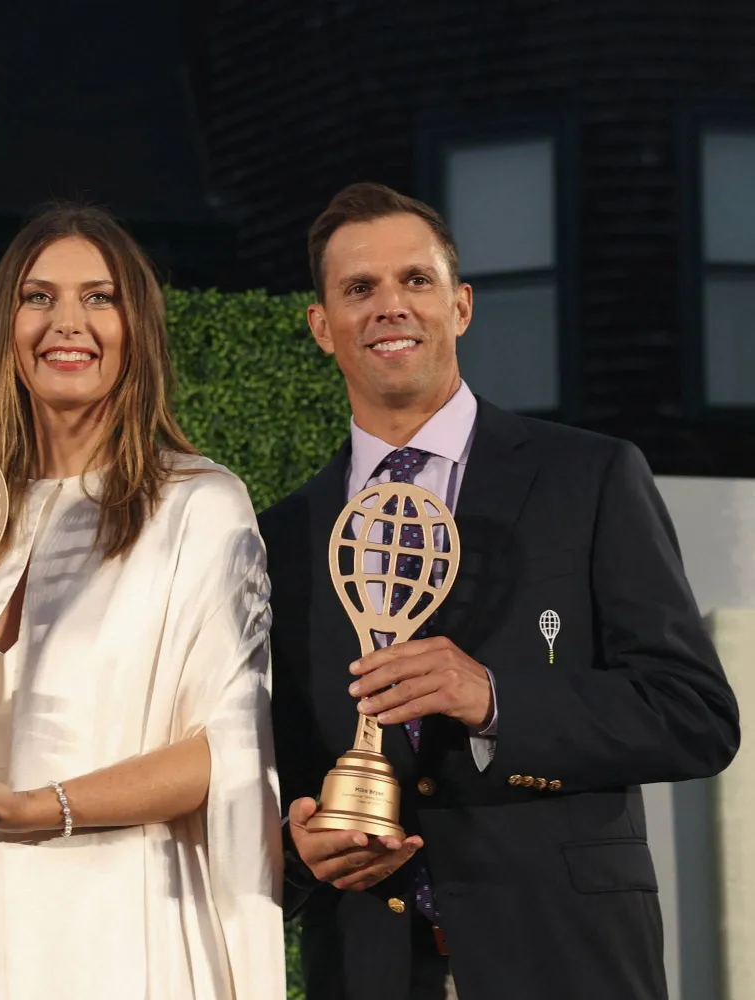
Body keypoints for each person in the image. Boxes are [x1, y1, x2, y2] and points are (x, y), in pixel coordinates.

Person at [260, 182, 740, 1000]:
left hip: (566, 959)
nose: (389, 306)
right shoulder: (281, 537)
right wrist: (298, 850)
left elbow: (695, 715)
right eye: (359, 288)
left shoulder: (588, 477)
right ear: (321, 326)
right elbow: (276, 763)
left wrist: (493, 699)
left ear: (461, 307)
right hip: (372, 967)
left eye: (416, 280)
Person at [0, 204, 284, 1000]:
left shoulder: (199, 507)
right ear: (5, 328)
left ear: (137, 330)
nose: (65, 322)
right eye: (37, 297)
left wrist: (41, 809)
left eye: (98, 297)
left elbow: (226, 749)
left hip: (118, 927)